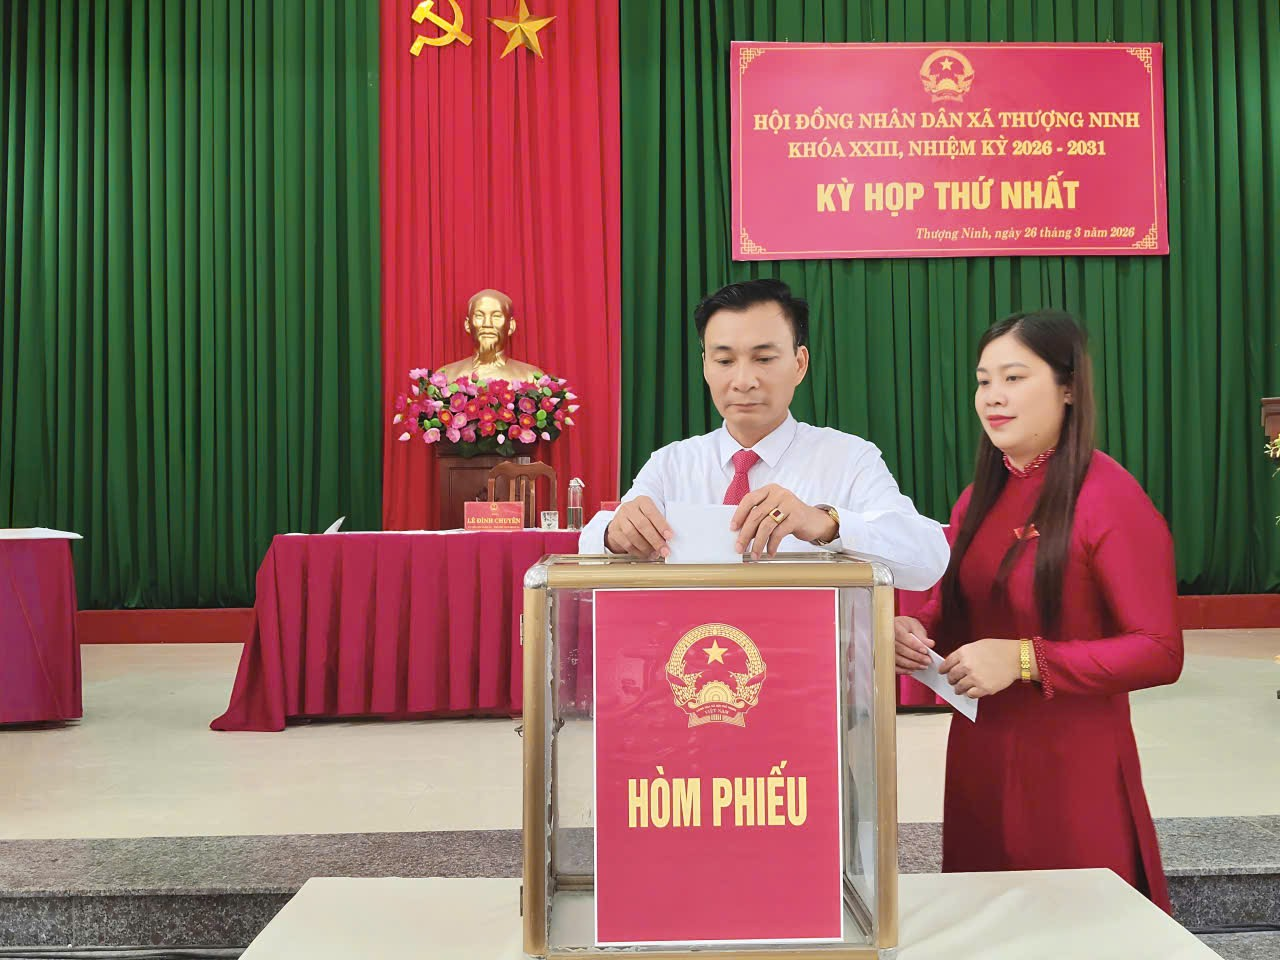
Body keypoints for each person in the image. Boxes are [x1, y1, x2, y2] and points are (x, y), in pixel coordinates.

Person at [894, 309, 1182, 909]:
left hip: (1072, 768)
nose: (993, 397)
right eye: (983, 381)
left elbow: (1159, 650)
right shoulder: (977, 498)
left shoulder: (1109, 497)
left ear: (1069, 387)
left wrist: (1025, 659)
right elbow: (953, 603)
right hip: (981, 759)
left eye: (1014, 378)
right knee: (984, 923)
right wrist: (915, 628)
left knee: (1075, 925)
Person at [578, 279, 947, 592]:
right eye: (725, 361)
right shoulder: (671, 464)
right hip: (697, 651)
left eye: (764, 359)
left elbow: (928, 559)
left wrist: (825, 523)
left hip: (810, 653)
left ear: (799, 364)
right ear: (705, 366)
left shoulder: (849, 458)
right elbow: (592, 543)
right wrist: (615, 535)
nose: (743, 381)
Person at [435, 288, 546, 384]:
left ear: (511, 326)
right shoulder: (445, 377)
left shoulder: (533, 378)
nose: (487, 324)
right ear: (467, 325)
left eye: (496, 316)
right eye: (479, 316)